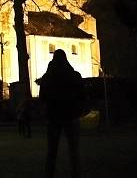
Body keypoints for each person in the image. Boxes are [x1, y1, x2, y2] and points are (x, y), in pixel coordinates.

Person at [39, 49, 85, 178]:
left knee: (52, 151)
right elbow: (82, 95)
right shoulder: (75, 75)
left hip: (53, 116)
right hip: (71, 115)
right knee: (74, 150)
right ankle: (76, 174)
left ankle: (49, 174)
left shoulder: (47, 77)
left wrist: (45, 110)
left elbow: (42, 97)